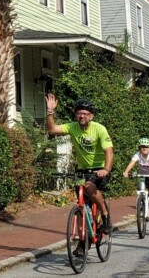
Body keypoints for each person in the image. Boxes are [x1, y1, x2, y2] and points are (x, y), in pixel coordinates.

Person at [45, 94, 114, 234]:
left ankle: (105, 215)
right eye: (79, 113)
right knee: (82, 204)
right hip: (82, 171)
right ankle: (83, 242)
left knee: (89, 186)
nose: (82, 116)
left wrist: (106, 169)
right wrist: (50, 112)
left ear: (91, 116)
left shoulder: (99, 129)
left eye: (85, 114)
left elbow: (109, 151)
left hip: (98, 170)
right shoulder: (72, 127)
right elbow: (52, 130)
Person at [123, 137, 149, 226]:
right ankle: (142, 207)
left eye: (147, 147)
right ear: (139, 148)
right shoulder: (137, 155)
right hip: (142, 176)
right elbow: (131, 163)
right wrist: (126, 172)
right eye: (143, 147)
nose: (145, 148)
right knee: (141, 192)